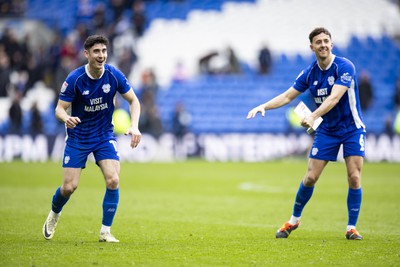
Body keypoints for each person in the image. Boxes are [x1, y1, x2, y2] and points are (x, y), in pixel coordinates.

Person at [247, 27, 366, 240]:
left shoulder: (345, 66)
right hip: (327, 131)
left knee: (354, 177)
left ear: (332, 44)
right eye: (318, 42)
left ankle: (351, 227)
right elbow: (286, 97)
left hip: (352, 129)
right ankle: (293, 220)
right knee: (310, 177)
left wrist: (313, 116)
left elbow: (334, 98)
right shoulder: (309, 73)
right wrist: (263, 105)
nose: (323, 45)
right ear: (311, 47)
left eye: (326, 41)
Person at [42, 35, 141, 243]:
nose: (101, 55)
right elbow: (59, 109)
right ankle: (54, 213)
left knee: (113, 179)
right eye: (96, 51)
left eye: (104, 51)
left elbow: (134, 100)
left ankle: (105, 231)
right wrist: (66, 118)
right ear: (86, 54)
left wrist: (134, 126)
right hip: (78, 136)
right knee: (69, 187)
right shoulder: (75, 79)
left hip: (104, 135)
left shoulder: (114, 75)